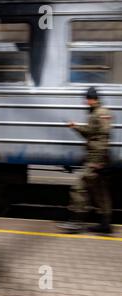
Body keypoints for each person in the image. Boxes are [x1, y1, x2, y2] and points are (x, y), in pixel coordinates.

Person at [58, 86, 113, 234]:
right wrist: (75, 127)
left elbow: (102, 138)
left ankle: (75, 222)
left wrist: (97, 162)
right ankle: (105, 225)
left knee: (79, 188)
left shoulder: (99, 114)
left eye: (86, 98)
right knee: (100, 191)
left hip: (96, 160)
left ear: (91, 98)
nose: (84, 101)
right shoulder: (98, 112)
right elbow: (91, 133)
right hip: (99, 159)